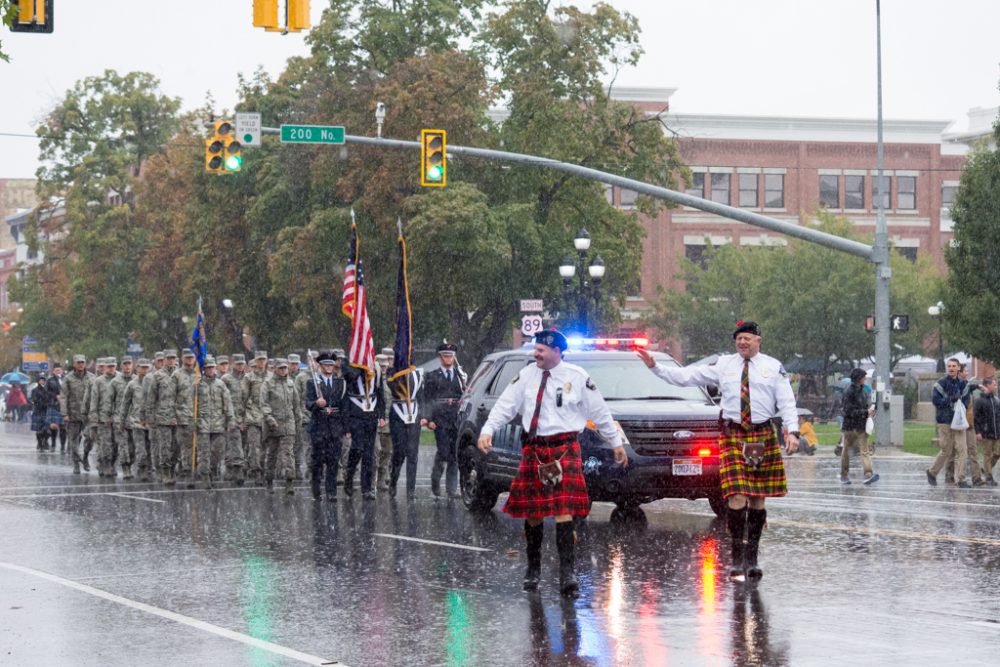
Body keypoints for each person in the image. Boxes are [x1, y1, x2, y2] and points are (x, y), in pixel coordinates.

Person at [637, 320, 800, 581]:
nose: (743, 342)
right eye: (739, 338)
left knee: (757, 500)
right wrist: (656, 367)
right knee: (736, 497)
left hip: (762, 434)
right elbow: (687, 377)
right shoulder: (724, 364)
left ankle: (752, 558)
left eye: (748, 338)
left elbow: (787, 402)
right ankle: (737, 558)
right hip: (733, 433)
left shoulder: (773, 367)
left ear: (759, 340)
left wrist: (793, 430)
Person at [479, 329, 627, 597]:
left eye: (542, 350)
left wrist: (616, 442)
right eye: (536, 348)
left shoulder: (577, 377)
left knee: (563, 511)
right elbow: (505, 405)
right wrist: (487, 430)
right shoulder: (526, 375)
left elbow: (599, 411)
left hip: (564, 448)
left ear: (558, 352)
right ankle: (533, 569)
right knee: (534, 514)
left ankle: (567, 574)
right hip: (535, 449)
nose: (536, 353)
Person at [423, 342, 467, 498]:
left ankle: (451, 489)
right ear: (440, 357)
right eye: (446, 356)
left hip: (455, 418)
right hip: (440, 418)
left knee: (454, 454)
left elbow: (464, 396)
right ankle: (435, 479)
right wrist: (428, 419)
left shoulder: (460, 375)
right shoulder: (433, 376)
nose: (449, 359)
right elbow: (427, 399)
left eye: (451, 356)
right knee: (443, 452)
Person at [305, 351, 349, 501]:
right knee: (317, 461)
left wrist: (346, 428)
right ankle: (316, 491)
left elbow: (344, 407)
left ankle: (331, 491)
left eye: (331, 364)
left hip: (335, 427)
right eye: (325, 364)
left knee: (333, 460)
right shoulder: (313, 383)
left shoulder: (340, 383)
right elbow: (308, 403)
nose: (329, 367)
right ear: (320, 365)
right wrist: (317, 403)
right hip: (319, 426)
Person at [343, 361, 386, 500]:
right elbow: (350, 379)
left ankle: (366, 488)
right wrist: (363, 368)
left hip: (371, 414)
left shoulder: (376, 367)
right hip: (356, 413)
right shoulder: (350, 365)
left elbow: (379, 391)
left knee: (369, 453)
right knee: (357, 449)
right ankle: (349, 477)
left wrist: (382, 414)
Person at [927, 358, 972, 488]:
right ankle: (932, 472)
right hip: (944, 421)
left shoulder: (963, 384)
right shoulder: (940, 384)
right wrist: (950, 399)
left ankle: (961, 479)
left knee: (963, 449)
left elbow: (966, 401)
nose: (951, 368)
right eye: (949, 366)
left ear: (958, 368)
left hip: (958, 422)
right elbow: (936, 401)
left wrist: (959, 406)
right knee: (946, 450)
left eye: (954, 366)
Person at [261, 358, 302, 494]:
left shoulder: (291, 384)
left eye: (285, 368)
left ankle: (289, 482)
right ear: (275, 369)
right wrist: (269, 418)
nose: (284, 370)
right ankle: (269, 481)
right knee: (272, 454)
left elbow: (296, 405)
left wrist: (298, 420)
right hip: (273, 425)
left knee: (288, 453)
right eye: (281, 368)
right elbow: (264, 404)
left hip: (288, 424)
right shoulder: (268, 384)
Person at [195, 356, 234, 490]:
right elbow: (192, 405)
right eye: (208, 368)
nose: (210, 370)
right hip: (203, 425)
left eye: (212, 367)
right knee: (204, 453)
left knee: (217, 453)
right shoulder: (198, 385)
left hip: (218, 424)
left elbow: (228, 404)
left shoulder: (220, 384)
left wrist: (230, 420)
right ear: (204, 369)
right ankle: (205, 478)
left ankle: (212, 470)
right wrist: (193, 422)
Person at [387, 360, 424, 501]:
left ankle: (411, 490)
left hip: (414, 414)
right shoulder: (392, 372)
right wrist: (402, 374)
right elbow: (392, 386)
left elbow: (421, 395)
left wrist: (423, 415)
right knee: (400, 452)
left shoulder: (417, 374)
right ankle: (393, 480)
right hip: (398, 414)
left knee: (413, 454)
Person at [145, 349, 179, 485]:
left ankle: (173, 468)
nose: (171, 361)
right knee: (164, 446)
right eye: (168, 358)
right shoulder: (157, 376)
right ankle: (165, 471)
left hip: (179, 417)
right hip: (163, 417)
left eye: (173, 358)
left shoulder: (180, 375)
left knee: (177, 447)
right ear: (164, 360)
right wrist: (150, 416)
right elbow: (151, 398)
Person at [840, 368, 878, 485]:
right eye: (863, 378)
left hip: (861, 426)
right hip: (850, 427)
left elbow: (865, 405)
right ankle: (844, 474)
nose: (864, 380)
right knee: (846, 450)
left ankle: (868, 473)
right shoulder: (849, 392)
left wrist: (870, 411)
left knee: (864, 451)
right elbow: (848, 411)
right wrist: (865, 413)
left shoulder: (863, 391)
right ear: (858, 378)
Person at [63, 355, 93, 474]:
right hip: (73, 414)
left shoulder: (92, 378)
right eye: (78, 362)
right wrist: (64, 413)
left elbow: (95, 396)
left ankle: (85, 457)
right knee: (73, 441)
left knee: (90, 438)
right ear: (74, 364)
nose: (81, 364)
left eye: (82, 362)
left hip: (88, 415)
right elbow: (63, 397)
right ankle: (76, 463)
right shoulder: (68, 378)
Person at [221, 354, 248, 484]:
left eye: (242, 364)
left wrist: (245, 418)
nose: (240, 366)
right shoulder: (226, 379)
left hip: (247, 416)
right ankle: (235, 469)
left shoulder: (248, 378)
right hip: (231, 416)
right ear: (232, 364)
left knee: (243, 444)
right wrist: (231, 418)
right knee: (234, 443)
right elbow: (224, 400)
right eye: (238, 364)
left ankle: (236, 466)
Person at [974, 376, 1000, 487]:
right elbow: (976, 417)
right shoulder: (979, 400)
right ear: (988, 385)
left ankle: (986, 468)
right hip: (985, 432)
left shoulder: (996, 399)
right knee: (987, 455)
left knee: (998, 453)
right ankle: (989, 478)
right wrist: (978, 432)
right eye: (994, 384)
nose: (996, 386)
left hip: (997, 432)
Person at [375, 350, 394, 491]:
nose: (383, 369)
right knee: (376, 451)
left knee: (387, 451)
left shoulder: (391, 380)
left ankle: (381, 480)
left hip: (388, 423)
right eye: (380, 366)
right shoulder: (371, 381)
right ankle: (371, 481)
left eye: (384, 366)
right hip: (374, 423)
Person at [30, 376, 53, 451]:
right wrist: (40, 402)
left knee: (48, 431)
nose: (42, 382)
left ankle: (45, 441)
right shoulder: (34, 390)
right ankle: (40, 443)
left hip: (46, 411)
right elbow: (33, 399)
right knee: (39, 430)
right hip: (38, 411)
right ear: (38, 381)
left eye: (43, 380)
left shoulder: (47, 390)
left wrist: (49, 403)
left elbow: (50, 399)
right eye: (41, 380)